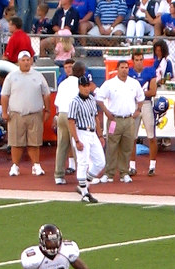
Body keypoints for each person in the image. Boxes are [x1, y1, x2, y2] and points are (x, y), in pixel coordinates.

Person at [1, 49, 51, 177]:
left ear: (31, 61)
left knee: (34, 142)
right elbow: (5, 95)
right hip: (16, 113)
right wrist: (4, 112)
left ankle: (36, 165)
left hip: (35, 113)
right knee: (16, 142)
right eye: (23, 60)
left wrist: (47, 110)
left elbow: (46, 94)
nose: (26, 62)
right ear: (18, 62)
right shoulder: (11, 76)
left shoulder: (38, 76)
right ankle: (15, 166)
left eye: (28, 60)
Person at [95, 58, 145, 183]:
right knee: (111, 146)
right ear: (117, 69)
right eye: (122, 67)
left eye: (126, 67)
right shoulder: (109, 83)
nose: (124, 70)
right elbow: (99, 98)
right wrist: (106, 112)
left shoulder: (134, 83)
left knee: (127, 147)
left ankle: (124, 172)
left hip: (129, 120)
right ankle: (109, 173)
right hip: (114, 120)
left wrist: (138, 110)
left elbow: (141, 97)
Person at [68, 72, 105, 203]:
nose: (86, 88)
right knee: (83, 162)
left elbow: (96, 118)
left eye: (87, 85)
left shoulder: (91, 99)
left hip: (92, 132)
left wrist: (100, 135)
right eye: (83, 86)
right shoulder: (74, 102)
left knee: (100, 162)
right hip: (81, 131)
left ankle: (84, 185)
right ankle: (85, 193)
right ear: (79, 87)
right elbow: (71, 121)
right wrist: (76, 140)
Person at [53, 58, 84, 184]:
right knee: (78, 145)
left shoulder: (63, 83)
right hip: (73, 116)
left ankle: (58, 175)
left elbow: (57, 103)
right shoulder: (80, 84)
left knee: (62, 146)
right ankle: (81, 175)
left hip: (61, 114)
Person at [129, 49, 159, 176]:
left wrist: (138, 94)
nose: (139, 62)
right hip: (133, 105)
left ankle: (152, 165)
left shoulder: (150, 71)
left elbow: (153, 91)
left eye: (141, 60)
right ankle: (131, 166)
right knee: (132, 138)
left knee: (151, 136)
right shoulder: (129, 72)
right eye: (137, 60)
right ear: (133, 61)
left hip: (146, 104)